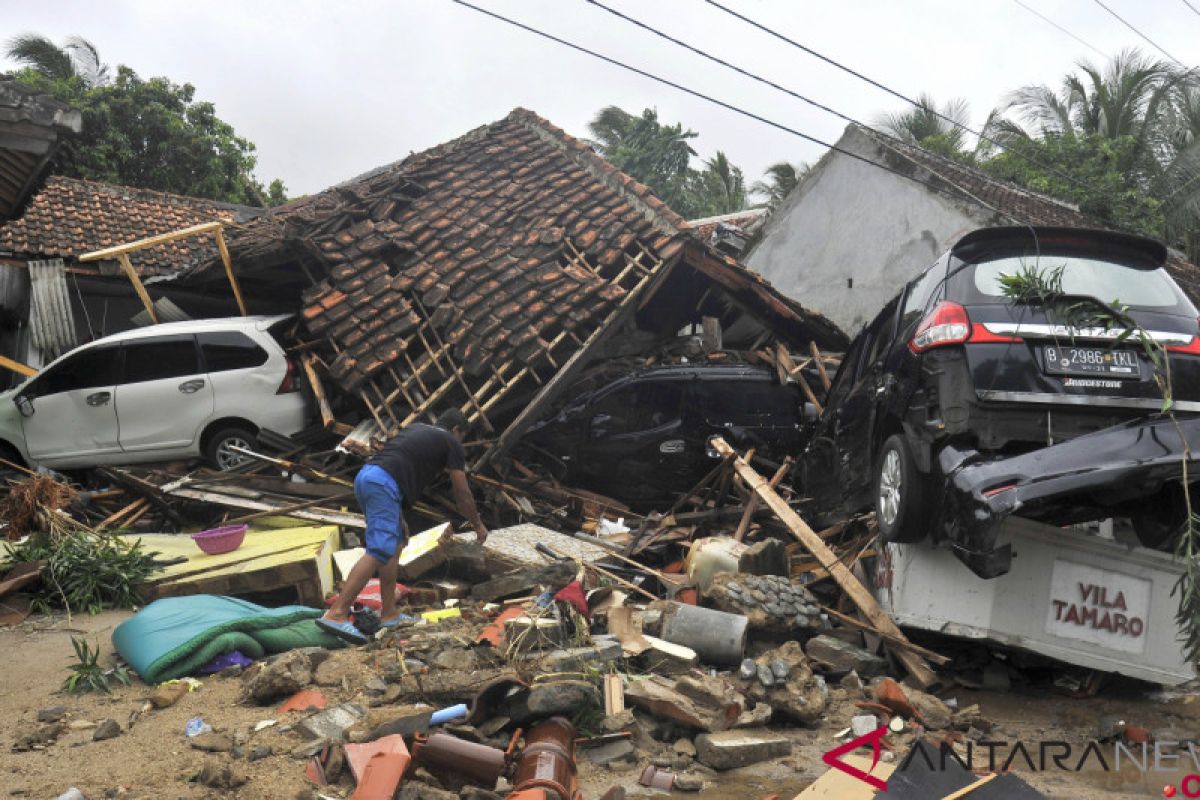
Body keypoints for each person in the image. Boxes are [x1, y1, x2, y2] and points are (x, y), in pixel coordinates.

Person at [318, 409, 488, 642]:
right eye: (462, 437)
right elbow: (462, 492)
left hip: (368, 477)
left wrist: (399, 517)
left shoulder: (415, 428)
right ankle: (336, 613)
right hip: (382, 484)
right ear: (457, 431)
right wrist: (478, 525)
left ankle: (389, 614)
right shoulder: (451, 442)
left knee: (395, 543)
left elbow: (395, 463)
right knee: (379, 550)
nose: (460, 442)